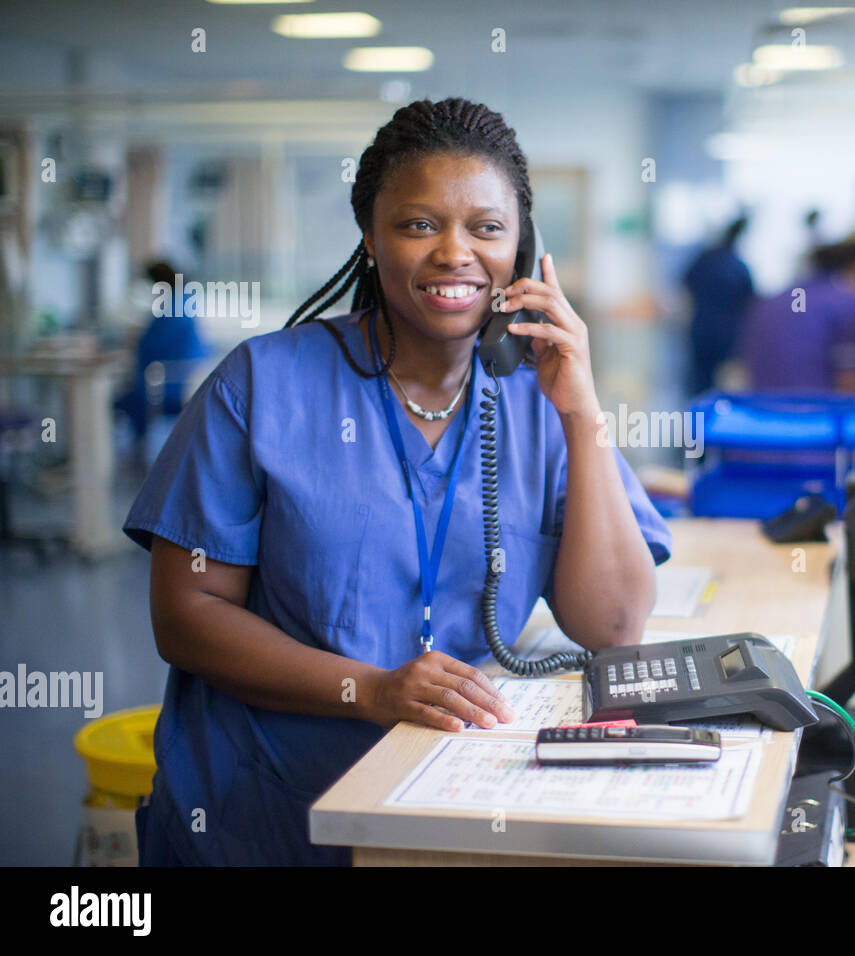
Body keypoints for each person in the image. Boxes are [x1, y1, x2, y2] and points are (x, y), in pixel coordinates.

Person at [123, 97, 672, 865]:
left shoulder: (538, 402)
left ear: (521, 250)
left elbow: (612, 627)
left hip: (449, 806)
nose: (456, 252)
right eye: (419, 224)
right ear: (372, 241)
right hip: (264, 812)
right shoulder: (262, 386)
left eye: (487, 228)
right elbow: (186, 615)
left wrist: (581, 413)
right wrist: (372, 690)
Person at [743, 240, 855, 391]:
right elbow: (848, 384)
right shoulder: (850, 304)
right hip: (819, 410)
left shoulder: (768, 302)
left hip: (761, 408)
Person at [114, 261, 209, 451]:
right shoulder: (183, 301)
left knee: (119, 402)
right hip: (183, 382)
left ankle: (133, 454)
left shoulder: (172, 307)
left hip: (166, 388)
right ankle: (135, 453)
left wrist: (135, 341)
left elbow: (148, 346)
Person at [682, 216, 754, 395]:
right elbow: (750, 302)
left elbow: (687, 286)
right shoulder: (738, 267)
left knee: (700, 382)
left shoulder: (705, 260)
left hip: (702, 330)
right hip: (726, 334)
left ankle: (697, 417)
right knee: (724, 384)